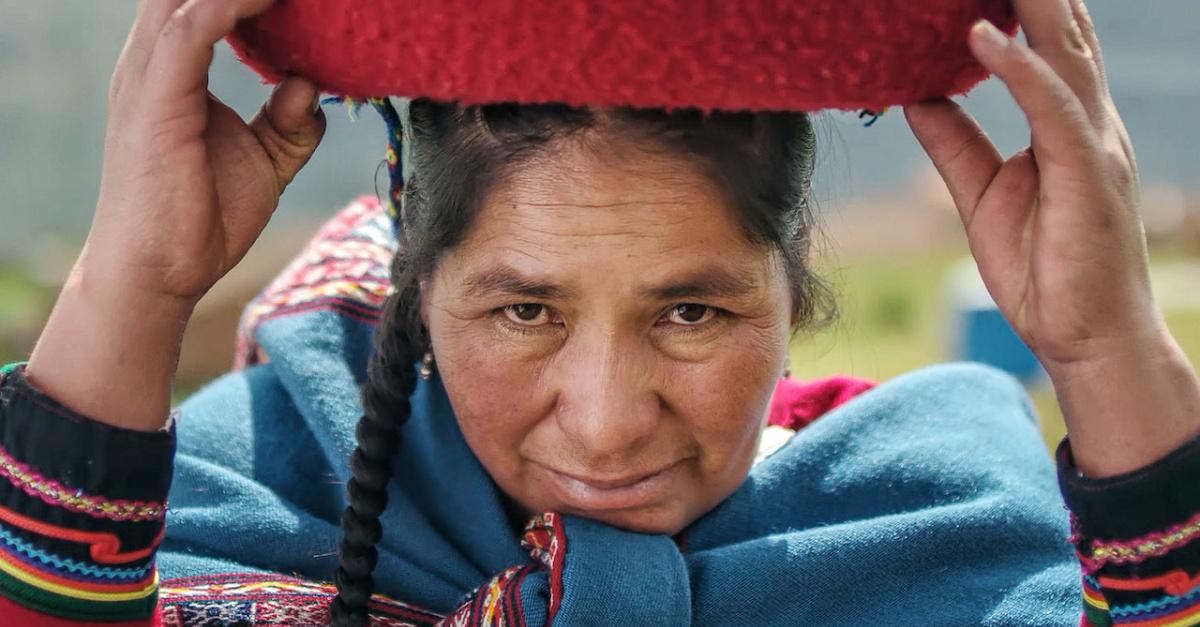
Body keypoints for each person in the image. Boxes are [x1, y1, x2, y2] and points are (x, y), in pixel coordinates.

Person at [1, 0, 1198, 625]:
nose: (610, 422)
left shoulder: (942, 519)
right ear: (418, 280)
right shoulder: (261, 486)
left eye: (690, 313)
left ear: (793, 286)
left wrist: (1107, 348)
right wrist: (136, 283)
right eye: (523, 311)